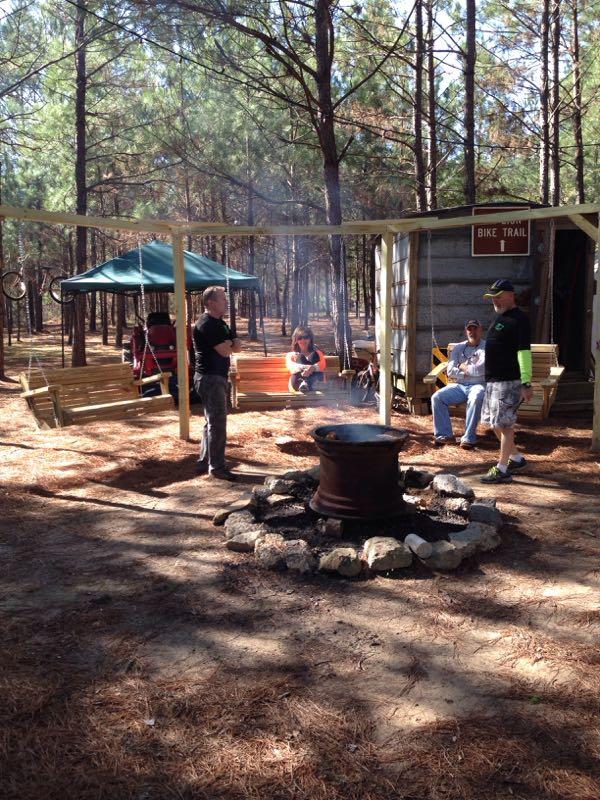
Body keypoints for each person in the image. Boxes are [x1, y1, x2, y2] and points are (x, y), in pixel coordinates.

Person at [479, 279, 533, 484]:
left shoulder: (519, 319)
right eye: (493, 297)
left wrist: (526, 382)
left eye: (499, 296)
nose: (495, 300)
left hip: (509, 381)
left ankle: (502, 469)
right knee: (495, 423)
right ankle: (516, 459)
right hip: (493, 381)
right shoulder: (502, 317)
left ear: (511, 295)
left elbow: (524, 351)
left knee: (505, 425)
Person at [193, 286, 241, 480]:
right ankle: (217, 467)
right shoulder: (207, 324)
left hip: (217, 377)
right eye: (223, 299)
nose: (226, 302)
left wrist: (231, 344)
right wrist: (231, 344)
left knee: (210, 422)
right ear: (211, 302)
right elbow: (225, 350)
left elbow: (236, 346)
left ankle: (204, 460)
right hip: (210, 378)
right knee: (217, 423)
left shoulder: (220, 323)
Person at [431, 320, 486, 449]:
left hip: (479, 384)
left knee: (476, 397)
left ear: (480, 330)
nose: (472, 332)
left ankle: (468, 438)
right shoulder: (459, 347)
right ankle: (445, 435)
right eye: (469, 329)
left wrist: (462, 367)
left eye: (475, 329)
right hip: (460, 386)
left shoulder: (486, 347)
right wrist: (465, 373)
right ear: (466, 331)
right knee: (437, 397)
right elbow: (450, 371)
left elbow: (481, 369)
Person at [285, 326, 326, 393]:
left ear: (310, 339)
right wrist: (307, 368)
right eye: (300, 338)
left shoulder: (318, 353)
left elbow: (322, 365)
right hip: (297, 383)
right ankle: (304, 384)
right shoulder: (291, 355)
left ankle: (307, 384)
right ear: (296, 340)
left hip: (316, 382)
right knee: (300, 357)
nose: (303, 340)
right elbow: (291, 367)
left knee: (313, 355)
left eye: (306, 337)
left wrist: (312, 368)